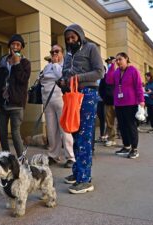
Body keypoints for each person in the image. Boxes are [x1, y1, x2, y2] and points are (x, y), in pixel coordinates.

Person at [60, 24, 104, 194]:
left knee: (84, 135)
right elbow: (65, 72)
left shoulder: (91, 48)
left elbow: (99, 72)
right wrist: (63, 80)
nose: (71, 40)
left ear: (80, 36)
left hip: (87, 94)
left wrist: (77, 78)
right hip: (72, 94)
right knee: (75, 132)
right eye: (68, 38)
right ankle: (78, 171)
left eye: (73, 37)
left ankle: (85, 180)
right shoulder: (68, 54)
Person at [0, 34, 31, 157]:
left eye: (18, 45)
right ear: (9, 46)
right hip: (2, 104)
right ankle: (7, 159)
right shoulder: (2, 61)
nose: (15, 47)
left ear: (21, 47)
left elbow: (23, 80)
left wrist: (17, 64)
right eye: (13, 44)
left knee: (15, 133)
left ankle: (22, 160)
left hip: (16, 104)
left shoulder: (25, 63)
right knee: (2, 133)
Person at [40, 44, 75, 168]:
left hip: (60, 99)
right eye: (52, 52)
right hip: (47, 100)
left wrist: (55, 65)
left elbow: (62, 77)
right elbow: (43, 80)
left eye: (57, 51)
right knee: (51, 129)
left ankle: (70, 156)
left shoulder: (65, 65)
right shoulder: (46, 67)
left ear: (62, 53)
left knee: (64, 129)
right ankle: (54, 155)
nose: (54, 54)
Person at [106, 52, 145, 159]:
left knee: (131, 126)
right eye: (117, 60)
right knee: (122, 126)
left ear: (126, 59)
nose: (118, 62)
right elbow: (109, 80)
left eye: (120, 59)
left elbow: (138, 86)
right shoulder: (117, 71)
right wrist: (111, 67)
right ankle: (126, 146)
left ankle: (134, 149)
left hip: (131, 103)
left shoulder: (133, 70)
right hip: (119, 103)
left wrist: (141, 100)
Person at [99, 57, 117, 146]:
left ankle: (127, 140)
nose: (110, 64)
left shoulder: (119, 74)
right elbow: (101, 88)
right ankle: (111, 138)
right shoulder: (105, 76)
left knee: (123, 121)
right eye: (109, 62)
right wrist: (104, 97)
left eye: (112, 62)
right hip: (108, 102)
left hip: (120, 102)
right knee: (109, 122)